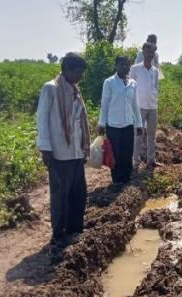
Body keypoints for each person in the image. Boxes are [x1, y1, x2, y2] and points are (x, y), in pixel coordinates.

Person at [36, 52, 90, 249]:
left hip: (75, 151)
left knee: (79, 193)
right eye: (78, 71)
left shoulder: (75, 91)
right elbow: (42, 119)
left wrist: (84, 148)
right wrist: (45, 148)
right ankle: (59, 235)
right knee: (60, 195)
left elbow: (79, 121)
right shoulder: (51, 88)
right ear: (66, 69)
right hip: (59, 152)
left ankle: (75, 230)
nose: (80, 76)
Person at [98, 56, 143, 185]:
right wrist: (101, 123)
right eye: (122, 64)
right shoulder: (109, 82)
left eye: (127, 65)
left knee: (127, 152)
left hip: (128, 123)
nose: (125, 67)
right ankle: (117, 179)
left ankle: (126, 177)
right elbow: (105, 103)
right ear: (116, 66)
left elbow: (135, 105)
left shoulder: (132, 83)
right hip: (113, 124)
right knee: (116, 153)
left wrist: (139, 124)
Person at [130, 42, 161, 171]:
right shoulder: (135, 68)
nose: (150, 54)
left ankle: (151, 160)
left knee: (152, 135)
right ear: (143, 52)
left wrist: (154, 97)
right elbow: (130, 87)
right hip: (139, 107)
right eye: (148, 51)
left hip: (152, 106)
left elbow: (156, 87)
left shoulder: (155, 71)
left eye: (152, 52)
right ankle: (135, 163)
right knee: (138, 136)